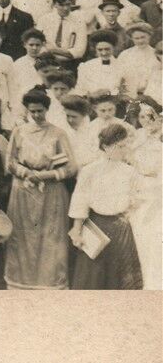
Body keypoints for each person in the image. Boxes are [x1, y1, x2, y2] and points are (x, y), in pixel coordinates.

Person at [3, 88, 74, 289]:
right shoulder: (19, 132)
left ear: (47, 109)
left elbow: (70, 167)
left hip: (50, 192)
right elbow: (10, 162)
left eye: (40, 111)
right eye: (32, 111)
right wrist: (26, 173)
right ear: (26, 110)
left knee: (51, 238)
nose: (36, 115)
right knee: (23, 236)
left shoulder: (58, 133)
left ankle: (50, 282)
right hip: (23, 190)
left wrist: (45, 175)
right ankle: (21, 282)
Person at [68, 120, 143, 289]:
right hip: (96, 227)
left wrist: (128, 214)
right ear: (107, 146)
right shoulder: (90, 171)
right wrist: (77, 230)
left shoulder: (130, 171)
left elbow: (137, 198)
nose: (124, 150)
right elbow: (80, 201)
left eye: (125, 146)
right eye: (120, 146)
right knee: (93, 277)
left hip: (121, 229)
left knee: (121, 277)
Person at [128, 97, 160, 289]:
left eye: (150, 116)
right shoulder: (137, 136)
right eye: (141, 116)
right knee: (139, 236)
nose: (146, 120)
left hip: (158, 192)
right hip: (139, 191)